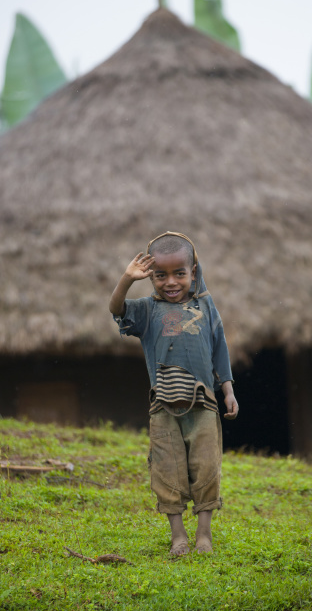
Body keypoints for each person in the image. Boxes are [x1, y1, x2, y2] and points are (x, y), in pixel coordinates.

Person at [109, 231, 238, 555]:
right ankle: (178, 535)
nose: (171, 282)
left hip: (204, 405)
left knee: (207, 467)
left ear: (193, 271)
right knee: (167, 471)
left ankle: (204, 534)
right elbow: (116, 308)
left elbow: (220, 349)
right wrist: (127, 279)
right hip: (163, 409)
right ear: (150, 276)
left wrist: (228, 390)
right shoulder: (146, 311)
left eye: (179, 273)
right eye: (160, 275)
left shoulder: (205, 307)